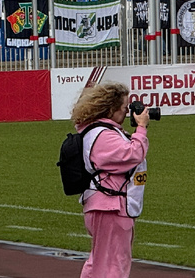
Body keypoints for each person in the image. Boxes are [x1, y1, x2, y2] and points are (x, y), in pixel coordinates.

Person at [71, 81, 151, 278]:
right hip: (109, 206)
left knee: (100, 263)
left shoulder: (100, 131)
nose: (127, 113)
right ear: (111, 109)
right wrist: (141, 128)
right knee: (114, 264)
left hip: (108, 205)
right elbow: (132, 154)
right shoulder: (103, 135)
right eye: (125, 108)